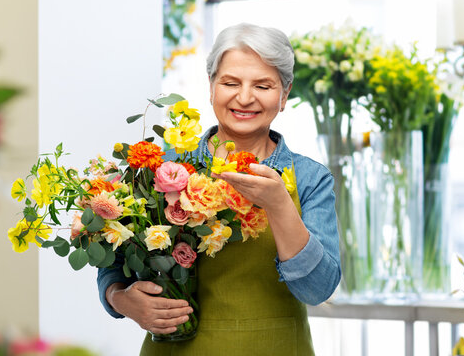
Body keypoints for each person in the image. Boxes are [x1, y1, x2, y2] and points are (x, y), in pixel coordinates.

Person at [97, 23, 341, 355]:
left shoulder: (310, 178)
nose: (244, 97)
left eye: (263, 85)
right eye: (230, 82)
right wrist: (120, 299)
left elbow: (318, 290)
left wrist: (279, 205)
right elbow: (112, 259)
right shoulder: (162, 167)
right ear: (211, 86)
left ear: (284, 95)